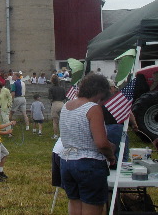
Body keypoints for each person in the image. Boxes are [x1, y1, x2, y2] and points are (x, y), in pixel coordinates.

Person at [59, 73, 116, 215]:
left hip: (67, 162)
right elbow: (101, 143)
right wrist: (111, 155)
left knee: (75, 203)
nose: (101, 100)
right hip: (88, 164)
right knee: (92, 207)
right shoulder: (92, 108)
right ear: (99, 91)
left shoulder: (67, 105)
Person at [103, 79, 138, 163]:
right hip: (119, 128)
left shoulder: (99, 100)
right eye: (114, 88)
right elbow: (128, 112)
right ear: (111, 88)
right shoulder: (117, 99)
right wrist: (134, 124)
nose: (115, 89)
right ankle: (121, 171)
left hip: (103, 128)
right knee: (122, 153)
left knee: (107, 154)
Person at [48, 75, 66, 139]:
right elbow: (64, 97)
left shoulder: (51, 89)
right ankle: (63, 135)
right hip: (62, 104)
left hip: (55, 103)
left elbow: (50, 98)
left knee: (55, 121)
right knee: (62, 121)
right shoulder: (62, 88)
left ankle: (55, 135)